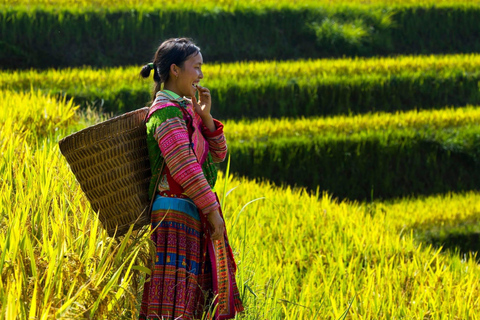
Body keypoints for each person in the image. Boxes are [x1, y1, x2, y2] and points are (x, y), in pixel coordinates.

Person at [138, 38, 244, 320]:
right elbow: (184, 167)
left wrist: (206, 119)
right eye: (195, 67)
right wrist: (211, 210)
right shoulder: (165, 114)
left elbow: (218, 156)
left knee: (188, 299)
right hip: (173, 216)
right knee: (174, 300)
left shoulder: (186, 111)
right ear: (175, 69)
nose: (201, 75)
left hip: (189, 212)